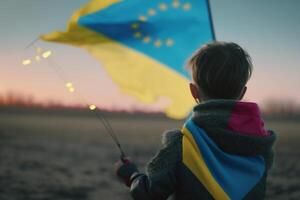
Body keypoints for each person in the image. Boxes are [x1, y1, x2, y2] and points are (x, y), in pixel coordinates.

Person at [115, 42, 277, 200]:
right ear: (242, 93)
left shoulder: (183, 143)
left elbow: (149, 193)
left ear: (193, 91)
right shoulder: (260, 145)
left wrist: (131, 175)